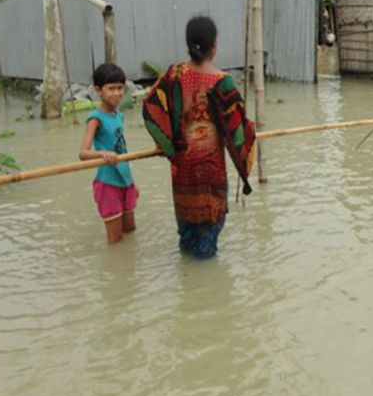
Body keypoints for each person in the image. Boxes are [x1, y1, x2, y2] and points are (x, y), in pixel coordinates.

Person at [142, 16, 255, 259]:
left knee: (187, 235)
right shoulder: (222, 82)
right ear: (214, 47)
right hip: (211, 174)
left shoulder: (174, 75)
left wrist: (169, 147)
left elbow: (150, 109)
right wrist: (250, 134)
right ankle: (205, 292)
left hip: (182, 171)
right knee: (207, 244)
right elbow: (238, 129)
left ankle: (190, 287)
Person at [79, 63, 138, 245]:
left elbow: (122, 148)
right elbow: (83, 153)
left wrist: (132, 182)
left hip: (125, 180)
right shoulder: (95, 119)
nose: (117, 93)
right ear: (98, 90)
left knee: (130, 230)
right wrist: (102, 153)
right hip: (108, 183)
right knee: (116, 239)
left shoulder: (119, 115)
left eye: (120, 88)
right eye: (111, 88)